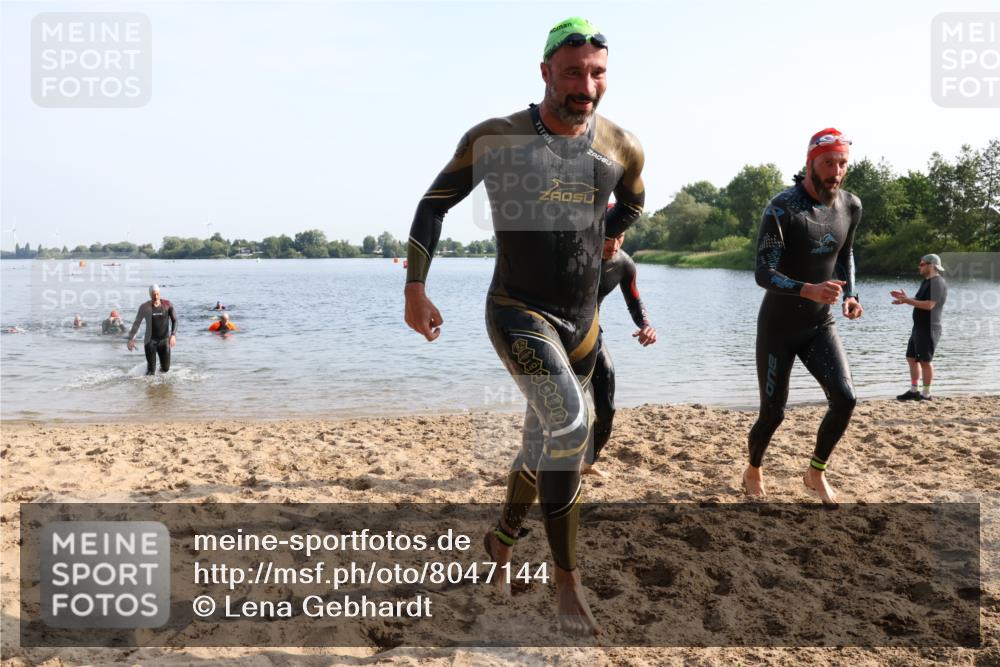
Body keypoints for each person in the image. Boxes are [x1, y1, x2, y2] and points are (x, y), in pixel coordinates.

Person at [403, 17, 644, 636]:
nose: (585, 85)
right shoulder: (497, 138)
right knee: (569, 425)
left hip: (583, 321)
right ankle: (566, 585)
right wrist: (415, 288)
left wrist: (613, 229)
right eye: (572, 73)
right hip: (517, 310)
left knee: (542, 443)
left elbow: (635, 199)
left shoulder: (622, 145)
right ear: (545, 73)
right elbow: (435, 204)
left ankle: (503, 540)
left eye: (596, 73)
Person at [744, 128, 864, 506]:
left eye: (842, 163)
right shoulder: (783, 208)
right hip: (778, 328)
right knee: (773, 414)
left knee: (845, 399)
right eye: (828, 163)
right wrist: (807, 288)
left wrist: (850, 294)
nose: (836, 171)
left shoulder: (850, 206)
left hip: (818, 326)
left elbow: (845, 254)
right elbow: (764, 272)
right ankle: (753, 467)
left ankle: (815, 472)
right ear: (810, 163)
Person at [584, 232, 656, 475]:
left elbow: (635, 302)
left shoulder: (623, 263)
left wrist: (646, 325)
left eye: (620, 237)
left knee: (607, 409)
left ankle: (587, 463)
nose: (613, 245)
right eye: (607, 237)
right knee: (566, 406)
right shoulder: (574, 254)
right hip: (557, 336)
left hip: (592, 334)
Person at [893, 254, 948, 401]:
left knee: (925, 361)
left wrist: (908, 301)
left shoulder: (937, 282)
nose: (919, 266)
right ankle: (913, 390)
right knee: (911, 358)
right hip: (918, 327)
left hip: (930, 328)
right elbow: (919, 299)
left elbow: (929, 305)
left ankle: (926, 393)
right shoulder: (927, 282)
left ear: (931, 265)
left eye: (922, 264)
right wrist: (905, 299)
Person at [127, 285, 178, 376]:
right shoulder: (145, 307)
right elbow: (137, 323)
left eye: (157, 294)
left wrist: (173, 335)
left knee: (166, 369)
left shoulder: (167, 305)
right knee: (151, 372)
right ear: (150, 294)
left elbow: (175, 320)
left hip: (164, 340)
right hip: (150, 341)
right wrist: (131, 339)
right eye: (153, 294)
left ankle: (160, 384)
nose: (156, 297)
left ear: (159, 293)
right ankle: (150, 386)